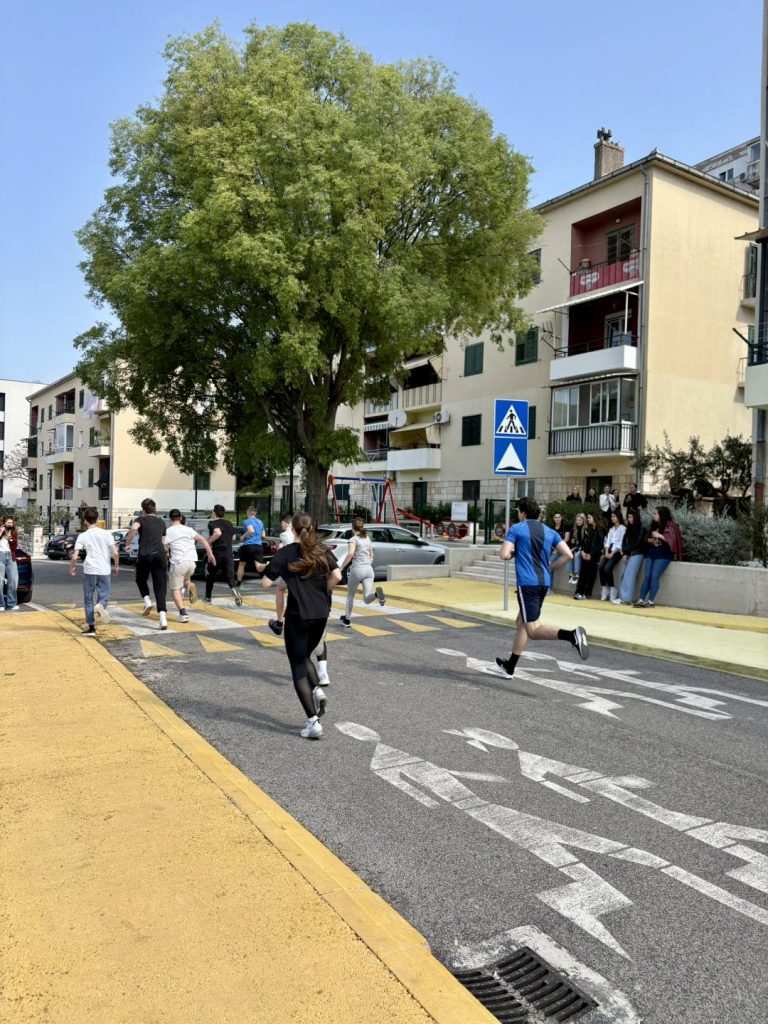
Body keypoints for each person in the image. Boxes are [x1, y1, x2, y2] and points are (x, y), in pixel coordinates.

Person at [259, 513, 342, 740]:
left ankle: (312, 721)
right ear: (312, 528)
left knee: (297, 665)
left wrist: (268, 568)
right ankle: (316, 689)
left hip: (298, 615)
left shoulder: (286, 553)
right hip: (321, 613)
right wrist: (324, 590)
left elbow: (266, 583)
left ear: (293, 529)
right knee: (305, 655)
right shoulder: (322, 549)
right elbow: (337, 575)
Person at [495, 497, 588, 678]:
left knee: (533, 630)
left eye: (518, 512)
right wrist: (550, 567)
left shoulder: (516, 529)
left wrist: (515, 552)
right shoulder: (550, 531)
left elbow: (504, 555)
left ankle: (572, 635)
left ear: (523, 513)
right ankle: (510, 666)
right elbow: (568, 555)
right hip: (544, 583)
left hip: (527, 584)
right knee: (521, 622)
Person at [69, 506, 118, 636]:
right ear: (97, 519)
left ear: (85, 520)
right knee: (104, 595)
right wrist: (116, 567)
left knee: (88, 598)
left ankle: (91, 628)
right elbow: (115, 553)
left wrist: (72, 567)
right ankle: (101, 605)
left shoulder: (82, 536)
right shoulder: (106, 534)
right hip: (104, 570)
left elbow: (75, 556)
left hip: (90, 570)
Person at [124, 498, 169, 630]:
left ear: (143, 510)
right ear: (155, 509)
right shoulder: (161, 522)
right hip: (160, 555)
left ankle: (147, 600)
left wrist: (127, 544)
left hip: (145, 554)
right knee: (160, 585)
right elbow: (163, 541)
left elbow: (133, 529)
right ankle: (163, 617)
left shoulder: (140, 520)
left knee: (140, 578)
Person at [164, 509, 216, 622]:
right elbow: (202, 539)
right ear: (180, 518)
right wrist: (210, 553)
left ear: (170, 519)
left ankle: (183, 613)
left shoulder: (168, 531)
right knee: (186, 578)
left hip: (178, 563)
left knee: (175, 589)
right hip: (192, 563)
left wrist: (166, 552)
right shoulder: (189, 529)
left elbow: (163, 547)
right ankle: (188, 585)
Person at [338, 517, 386, 627]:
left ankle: (347, 620)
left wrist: (342, 567)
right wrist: (368, 562)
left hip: (357, 569)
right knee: (367, 598)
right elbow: (371, 553)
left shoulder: (353, 539)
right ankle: (376, 594)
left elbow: (350, 554)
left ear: (352, 527)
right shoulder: (367, 538)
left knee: (350, 595)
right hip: (369, 570)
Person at [636, 506, 683, 608]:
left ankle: (651, 601)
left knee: (654, 576)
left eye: (655, 514)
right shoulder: (654, 525)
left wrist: (659, 535)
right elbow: (647, 538)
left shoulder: (670, 525)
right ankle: (641, 600)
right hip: (652, 553)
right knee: (647, 577)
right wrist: (650, 540)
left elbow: (672, 540)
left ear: (661, 515)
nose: (653, 515)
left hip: (664, 555)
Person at [205, 505, 242, 606]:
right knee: (230, 577)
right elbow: (233, 537)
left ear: (214, 513)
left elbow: (217, 533)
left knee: (210, 576)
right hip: (228, 554)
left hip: (217, 554)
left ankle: (208, 598)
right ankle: (234, 590)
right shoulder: (229, 523)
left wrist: (209, 542)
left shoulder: (212, 523)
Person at [612, 509, 647, 605]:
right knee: (624, 574)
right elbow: (624, 541)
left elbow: (638, 543)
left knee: (629, 575)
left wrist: (627, 552)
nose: (629, 519)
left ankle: (625, 599)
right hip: (628, 554)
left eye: (631, 517)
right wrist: (625, 553)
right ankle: (623, 597)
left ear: (636, 517)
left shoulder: (641, 528)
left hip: (637, 554)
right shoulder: (629, 528)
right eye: (628, 517)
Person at [268, 513, 295, 636]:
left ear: (286, 523)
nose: (281, 526)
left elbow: (288, 549)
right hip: (303, 566)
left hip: (290, 567)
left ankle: (279, 623)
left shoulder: (284, 534)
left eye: (282, 523)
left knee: (280, 590)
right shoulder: (302, 532)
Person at [574, 511, 604, 600]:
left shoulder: (601, 529)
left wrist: (591, 554)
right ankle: (578, 592)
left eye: (589, 518)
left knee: (591, 574)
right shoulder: (590, 529)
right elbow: (586, 542)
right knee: (583, 573)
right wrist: (583, 552)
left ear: (594, 518)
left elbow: (600, 545)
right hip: (586, 554)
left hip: (594, 555)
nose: (587, 519)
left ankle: (587, 593)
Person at [598, 510, 626, 602]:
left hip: (617, 552)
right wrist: (606, 552)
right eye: (611, 517)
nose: (612, 518)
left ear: (618, 517)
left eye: (614, 516)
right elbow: (608, 541)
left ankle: (613, 589)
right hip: (609, 550)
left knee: (607, 568)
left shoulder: (623, 528)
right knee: (601, 567)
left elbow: (620, 543)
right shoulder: (611, 529)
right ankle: (604, 588)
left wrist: (612, 553)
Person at [236, 505, 265, 587]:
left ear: (247, 512)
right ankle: (268, 565)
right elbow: (263, 535)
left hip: (248, 546)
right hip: (258, 546)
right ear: (255, 513)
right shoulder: (260, 522)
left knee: (242, 564)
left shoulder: (247, 521)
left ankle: (238, 582)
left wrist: (243, 536)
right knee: (259, 566)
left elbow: (251, 530)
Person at [0, 515, 20, 612]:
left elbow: (14, 547)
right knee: (0, 582)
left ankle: (11, 604)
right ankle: (0, 604)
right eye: (8, 523)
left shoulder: (14, 532)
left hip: (11, 557)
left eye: (11, 523)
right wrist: (1, 532)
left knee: (13, 581)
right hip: (0, 556)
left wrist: (10, 537)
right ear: (3, 523)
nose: (10, 524)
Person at [567, 512, 586, 585]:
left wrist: (576, 548)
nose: (578, 522)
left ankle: (577, 574)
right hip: (577, 546)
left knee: (577, 554)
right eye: (577, 520)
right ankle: (571, 573)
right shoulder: (574, 529)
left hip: (584, 548)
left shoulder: (586, 530)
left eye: (580, 520)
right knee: (569, 553)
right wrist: (573, 546)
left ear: (583, 521)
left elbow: (585, 543)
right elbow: (573, 542)